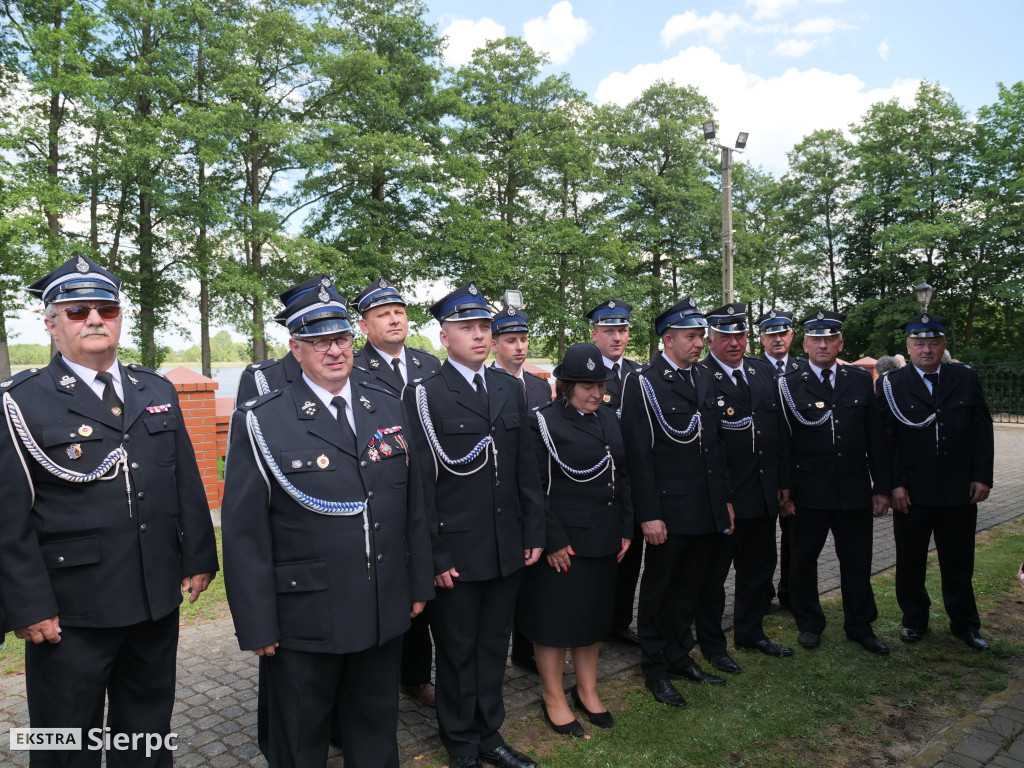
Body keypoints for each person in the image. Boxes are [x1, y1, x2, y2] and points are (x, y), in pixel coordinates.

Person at [0, 255, 218, 768]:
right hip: (71, 610)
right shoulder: (21, 403)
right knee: (61, 739)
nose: (95, 319)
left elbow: (184, 481)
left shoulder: (155, 389)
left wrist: (198, 556)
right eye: (77, 311)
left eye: (106, 309)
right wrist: (27, 606)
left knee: (147, 729)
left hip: (152, 598)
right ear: (51, 324)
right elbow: (8, 518)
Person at [221, 276, 434, 768]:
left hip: (382, 605)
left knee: (376, 732)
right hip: (305, 617)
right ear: (296, 348)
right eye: (319, 341)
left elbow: (413, 504)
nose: (334, 350)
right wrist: (257, 623)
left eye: (340, 338)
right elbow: (245, 532)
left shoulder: (385, 403)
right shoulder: (262, 418)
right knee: (300, 739)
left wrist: (418, 582)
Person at [404, 282, 545, 768]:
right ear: (444, 337)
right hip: (457, 553)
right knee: (458, 652)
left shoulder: (509, 387)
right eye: (468, 328)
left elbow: (527, 467)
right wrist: (434, 555)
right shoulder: (424, 395)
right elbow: (419, 486)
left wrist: (533, 532)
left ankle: (491, 735)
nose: (480, 336)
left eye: (485, 327)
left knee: (493, 648)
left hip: (507, 546)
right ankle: (461, 744)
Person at [620, 297, 734, 708]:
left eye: (700, 335)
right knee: (658, 591)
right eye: (690, 336)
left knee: (689, 588)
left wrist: (723, 502)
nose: (699, 342)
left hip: (704, 506)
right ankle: (653, 667)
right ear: (667, 339)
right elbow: (638, 455)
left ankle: (679, 654)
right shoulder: (645, 381)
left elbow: (715, 446)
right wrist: (648, 514)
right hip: (668, 509)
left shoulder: (703, 377)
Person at [519, 342, 632, 738]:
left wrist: (625, 527)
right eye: (585, 386)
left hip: (604, 535)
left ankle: (586, 690)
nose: (595, 393)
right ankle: (553, 696)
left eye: (599, 384)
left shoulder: (609, 417)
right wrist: (551, 539)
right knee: (554, 623)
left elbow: (623, 475)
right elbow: (531, 487)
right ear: (565, 385)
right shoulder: (543, 421)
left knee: (592, 621)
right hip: (564, 544)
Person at [876, 313, 994, 651]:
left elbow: (982, 432)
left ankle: (965, 624)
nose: (926, 350)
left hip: (959, 488)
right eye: (919, 344)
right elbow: (887, 440)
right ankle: (914, 620)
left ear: (943, 345)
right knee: (910, 561)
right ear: (908, 347)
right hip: (913, 491)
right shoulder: (891, 384)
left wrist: (982, 476)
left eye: (933, 343)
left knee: (959, 560)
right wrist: (895, 484)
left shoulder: (964, 378)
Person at [779, 310, 891, 654]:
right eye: (816, 339)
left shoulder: (858, 379)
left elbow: (876, 436)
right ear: (806, 344)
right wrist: (785, 491)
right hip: (808, 491)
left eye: (829, 339)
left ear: (840, 343)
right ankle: (809, 623)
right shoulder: (788, 382)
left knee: (857, 561)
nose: (823, 344)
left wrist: (882, 486)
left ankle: (860, 624)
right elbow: (781, 442)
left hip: (854, 490)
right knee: (803, 561)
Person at [352, 276, 442, 707]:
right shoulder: (351, 369)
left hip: (429, 490)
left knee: (422, 586)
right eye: (382, 314)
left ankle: (414, 675)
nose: (393, 319)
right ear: (365, 327)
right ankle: (374, 684)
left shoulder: (429, 365)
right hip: (383, 491)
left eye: (399, 312)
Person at [695, 303, 793, 673]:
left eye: (739, 335)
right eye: (725, 336)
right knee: (713, 576)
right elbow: (706, 447)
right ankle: (712, 644)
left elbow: (779, 433)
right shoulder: (701, 376)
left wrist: (784, 483)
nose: (734, 343)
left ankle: (751, 632)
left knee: (759, 568)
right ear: (711, 339)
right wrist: (722, 498)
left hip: (764, 493)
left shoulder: (762, 370)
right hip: (726, 498)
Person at [490, 305, 553, 674]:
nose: (519, 347)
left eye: (524, 339)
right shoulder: (488, 383)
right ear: (495, 344)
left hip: (537, 488)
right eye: (510, 340)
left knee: (534, 580)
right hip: (502, 494)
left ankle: (526, 646)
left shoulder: (538, 385)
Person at [586, 298, 644, 646]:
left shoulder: (639, 373)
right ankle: (596, 624)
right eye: (609, 331)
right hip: (599, 480)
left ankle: (620, 624)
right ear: (595, 335)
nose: (617, 337)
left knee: (631, 557)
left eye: (622, 330)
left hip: (633, 481)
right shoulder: (584, 373)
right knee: (602, 560)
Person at [756, 308, 804, 611]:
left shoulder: (804, 369)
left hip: (799, 471)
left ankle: (792, 593)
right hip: (763, 470)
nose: (777, 339)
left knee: (796, 540)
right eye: (771, 333)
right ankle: (761, 595)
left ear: (791, 335)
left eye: (782, 333)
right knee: (760, 543)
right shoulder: (750, 368)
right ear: (761, 337)